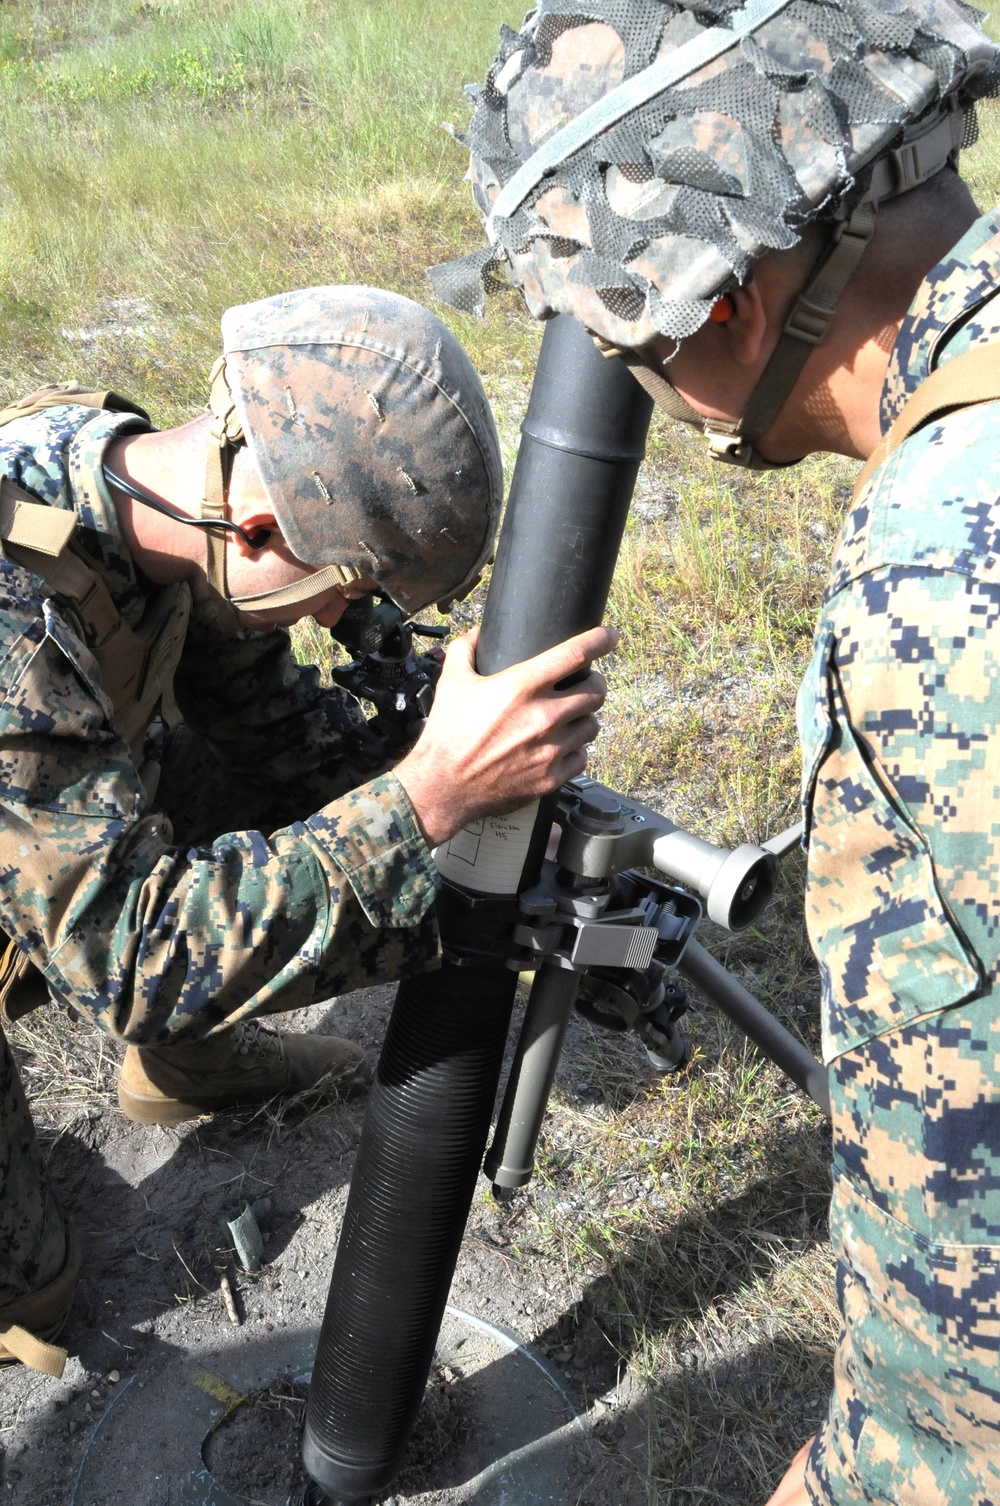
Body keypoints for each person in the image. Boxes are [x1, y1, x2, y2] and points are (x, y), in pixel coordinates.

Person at [431, 3, 1000, 1503]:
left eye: (619, 329)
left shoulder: (942, 577)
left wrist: (887, 1460)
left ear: (731, 301)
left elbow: (965, 1200)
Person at [0, 284, 615, 1377]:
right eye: (342, 588)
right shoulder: (19, 626)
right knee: (33, 1285)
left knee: (221, 768)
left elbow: (275, 741)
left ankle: (185, 1069)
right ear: (258, 525)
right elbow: (129, 965)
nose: (338, 619)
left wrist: (455, 751)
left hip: (46, 820)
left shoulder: (153, 500)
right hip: (77, 904)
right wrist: (425, 799)